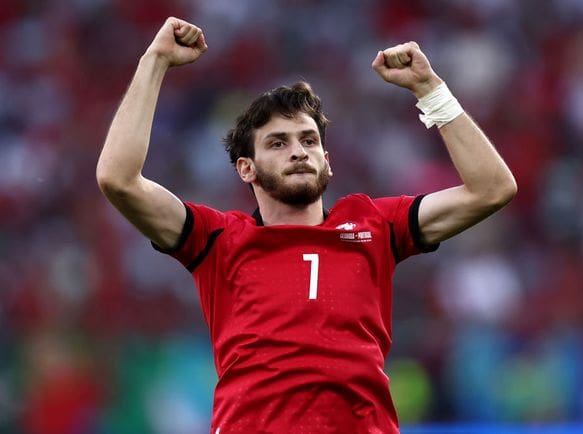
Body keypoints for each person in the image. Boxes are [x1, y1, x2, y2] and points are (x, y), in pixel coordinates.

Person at [96, 17, 517, 434]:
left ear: (327, 161)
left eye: (309, 140)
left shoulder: (375, 226)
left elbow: (492, 188)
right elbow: (118, 179)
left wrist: (430, 90)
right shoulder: (218, 240)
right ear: (246, 168)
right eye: (278, 143)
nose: (299, 152)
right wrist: (155, 60)